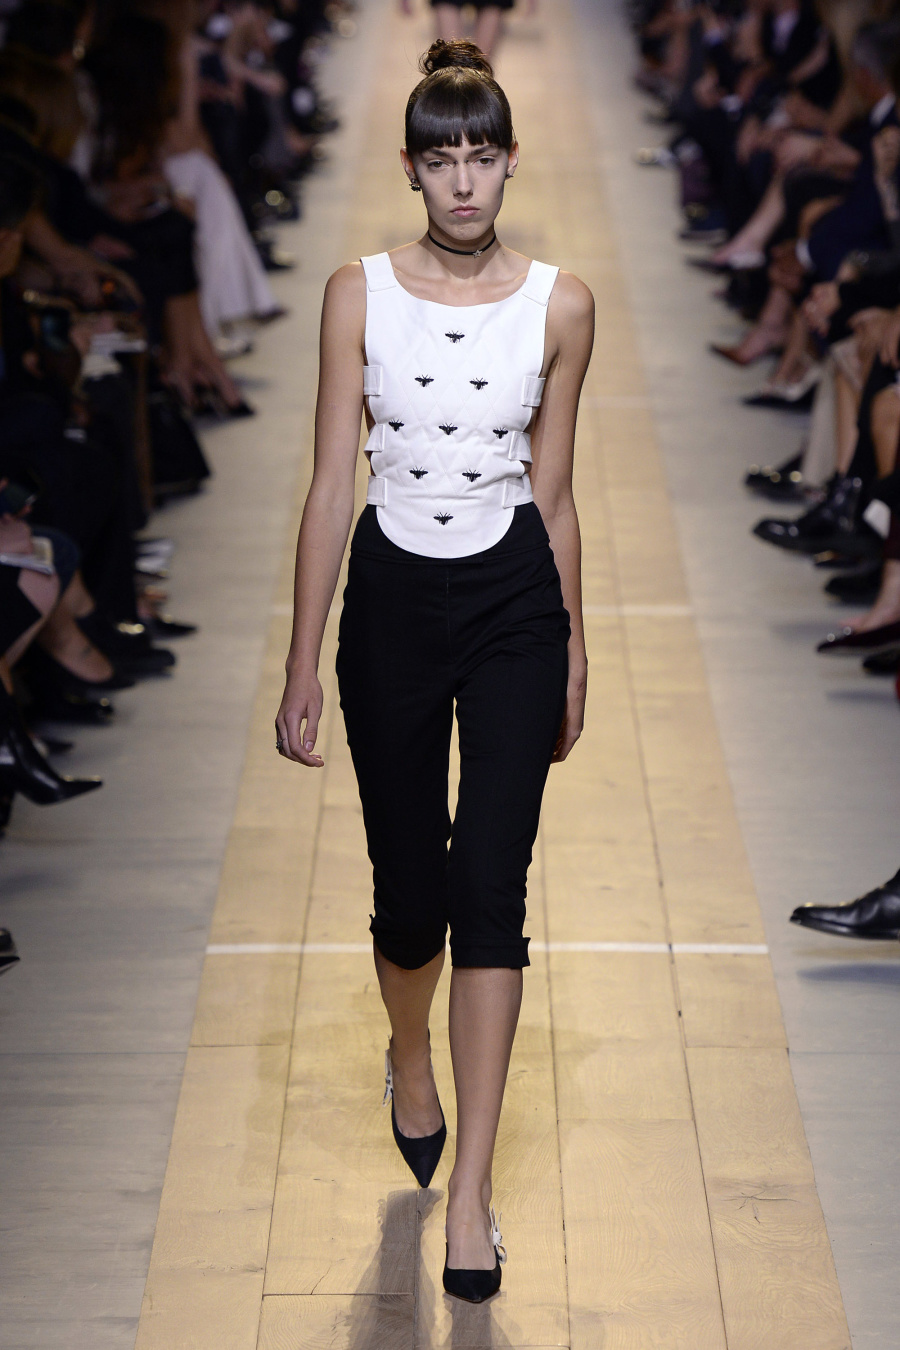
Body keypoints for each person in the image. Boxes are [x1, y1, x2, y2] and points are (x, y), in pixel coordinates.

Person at [275, 38, 592, 1304]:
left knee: (488, 888)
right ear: (411, 169)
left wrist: (576, 647)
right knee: (410, 897)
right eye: (442, 158)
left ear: (511, 162)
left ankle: (471, 1196)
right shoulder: (354, 294)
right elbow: (328, 485)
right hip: (394, 602)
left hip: (514, 601)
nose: (464, 181)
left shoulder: (563, 304)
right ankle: (408, 1050)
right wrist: (301, 660)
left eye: (482, 156)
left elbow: (555, 496)